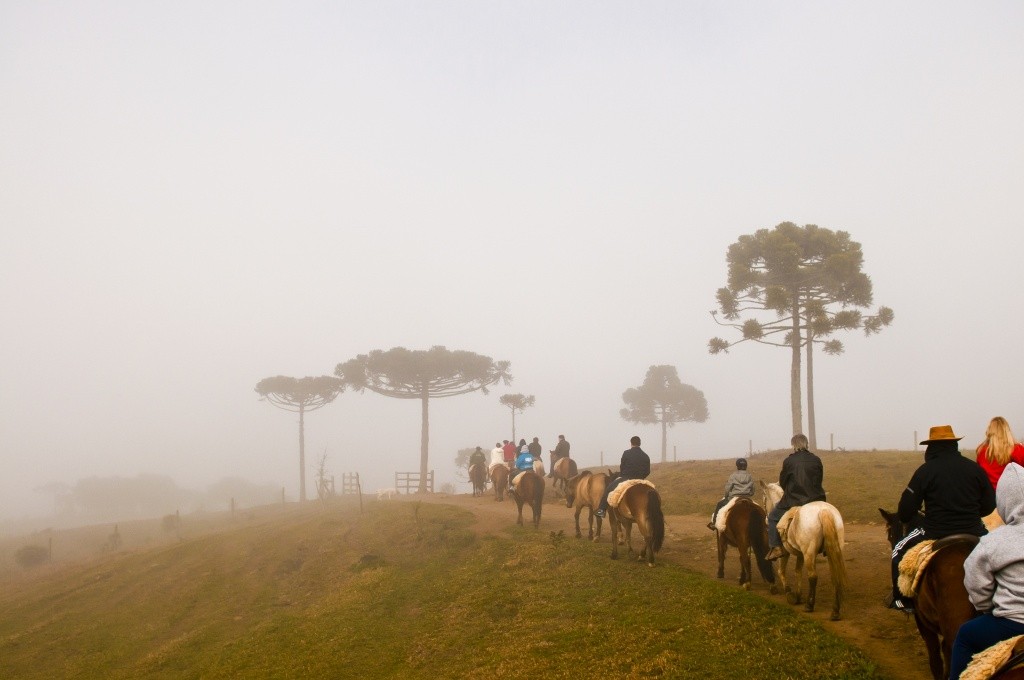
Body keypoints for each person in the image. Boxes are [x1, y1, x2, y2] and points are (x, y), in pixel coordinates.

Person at [887, 425, 995, 612]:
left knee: (897, 552)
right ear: (954, 445)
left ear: (931, 447)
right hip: (974, 530)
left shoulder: (925, 471)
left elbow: (904, 512)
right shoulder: (974, 469)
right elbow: (989, 505)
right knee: (998, 555)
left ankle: (902, 600)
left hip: (935, 531)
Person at [948, 462, 1024, 679]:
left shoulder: (994, 541)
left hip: (1010, 624)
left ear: (1003, 502)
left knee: (965, 636)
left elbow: (975, 579)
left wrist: (986, 607)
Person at [764, 434, 826, 561]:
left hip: (793, 500)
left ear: (794, 445)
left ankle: (776, 548)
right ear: (806, 444)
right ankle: (827, 545)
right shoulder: (816, 459)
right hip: (816, 499)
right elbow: (819, 479)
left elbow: (782, 482)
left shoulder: (789, 461)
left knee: (772, 517)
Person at [594, 436, 650, 518]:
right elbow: (647, 471)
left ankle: (601, 510)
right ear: (640, 443)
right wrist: (641, 478)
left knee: (608, 489)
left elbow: (622, 467)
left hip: (626, 478)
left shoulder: (626, 453)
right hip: (640, 480)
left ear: (631, 443)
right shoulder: (645, 456)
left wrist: (623, 475)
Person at [975, 416, 1024, 491]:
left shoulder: (981, 451)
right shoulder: (1017, 450)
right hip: (1013, 494)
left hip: (989, 495)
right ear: (1007, 431)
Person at [708, 458, 755, 530]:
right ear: (746, 466)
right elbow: (753, 490)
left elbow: (727, 489)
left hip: (734, 498)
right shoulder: (750, 476)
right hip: (747, 498)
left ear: (737, 466)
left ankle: (714, 524)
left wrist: (727, 496)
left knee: (720, 504)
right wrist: (749, 494)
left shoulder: (733, 476)